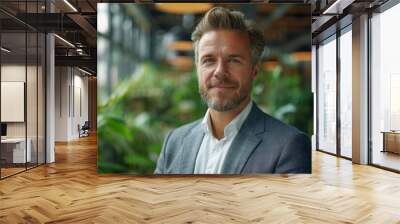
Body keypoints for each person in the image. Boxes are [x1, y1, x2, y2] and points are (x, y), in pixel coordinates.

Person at [154, 7, 311, 174]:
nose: (220, 71)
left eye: (234, 60)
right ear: (197, 69)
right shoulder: (174, 142)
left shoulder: (289, 146)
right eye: (209, 60)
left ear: (254, 71)